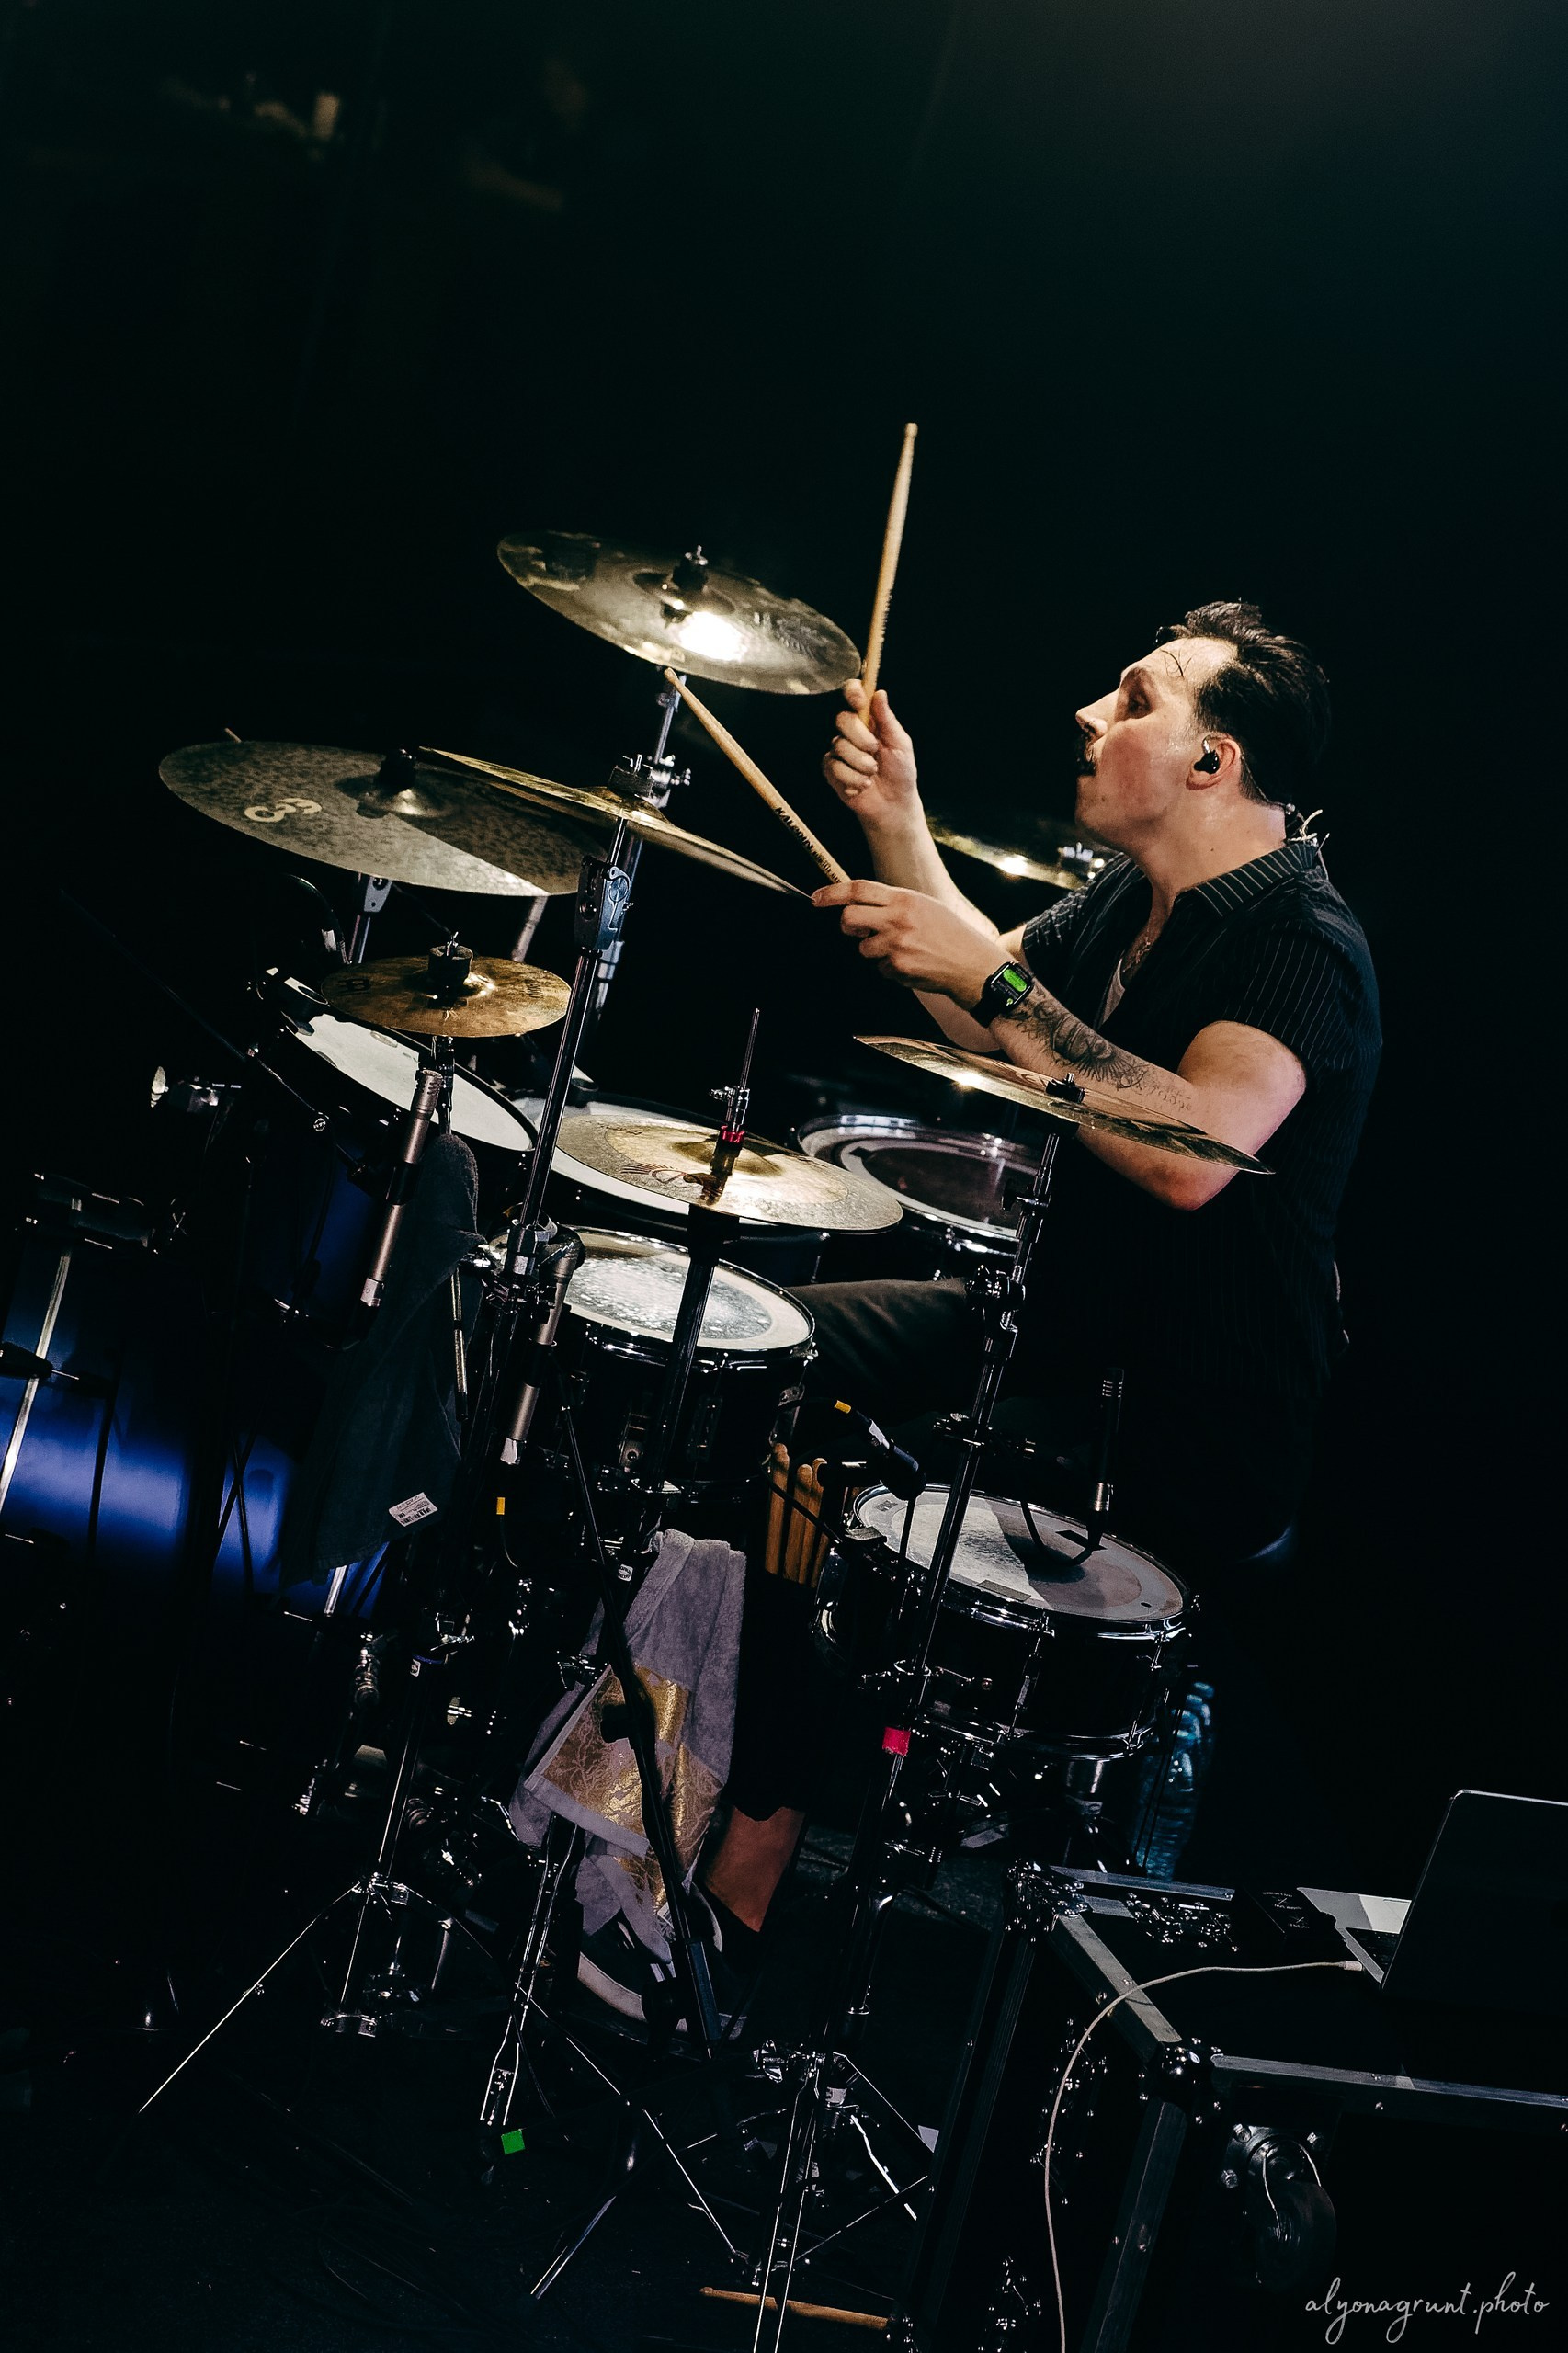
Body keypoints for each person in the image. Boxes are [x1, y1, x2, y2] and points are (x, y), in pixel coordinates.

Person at [581, 601, 1382, 2018]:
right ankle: (671, 1820)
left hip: (1187, 1418)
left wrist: (993, 975)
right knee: (761, 1354)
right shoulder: (1130, 904)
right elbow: (983, 1009)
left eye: (1133, 699)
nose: (1090, 716)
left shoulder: (1297, 937)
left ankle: (743, 1876)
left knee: (838, 1470)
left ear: (1211, 761)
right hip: (1055, 1333)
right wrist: (897, 822)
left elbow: (1194, 1150)